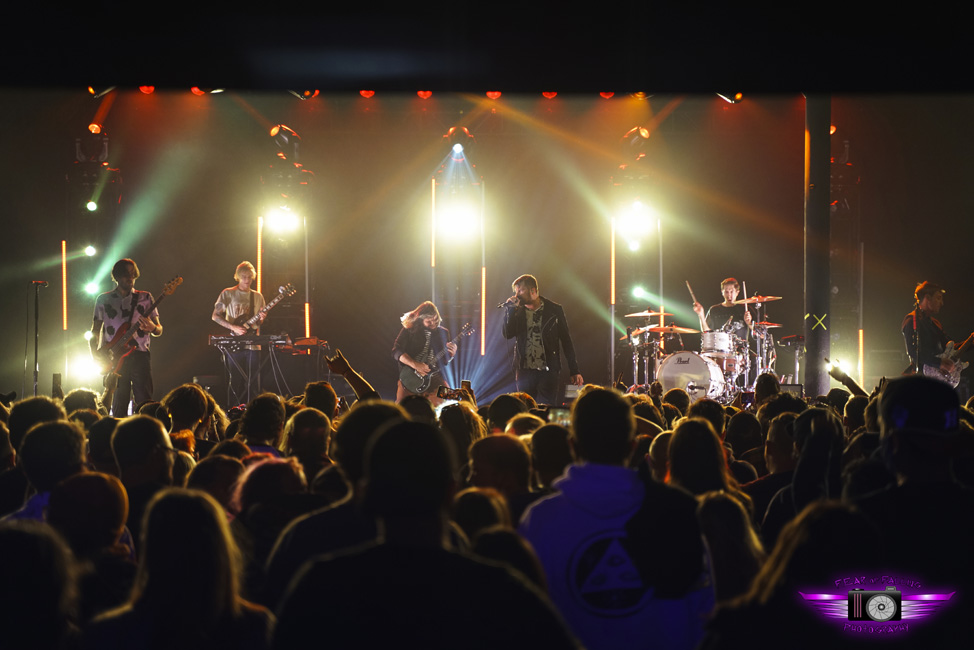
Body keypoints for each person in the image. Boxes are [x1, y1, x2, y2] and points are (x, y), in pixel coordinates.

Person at [90, 259, 163, 417]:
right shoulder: (103, 299)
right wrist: (94, 353)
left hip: (140, 355)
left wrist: (153, 327)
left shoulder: (145, 297)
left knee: (144, 402)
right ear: (117, 276)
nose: (130, 278)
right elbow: (95, 331)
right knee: (118, 402)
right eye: (125, 275)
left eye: (132, 275)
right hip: (114, 356)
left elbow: (159, 329)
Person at [501, 274, 582, 405]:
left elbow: (566, 340)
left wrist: (574, 370)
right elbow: (507, 334)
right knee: (525, 409)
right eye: (515, 291)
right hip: (524, 371)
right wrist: (510, 312)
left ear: (533, 291)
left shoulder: (554, 310)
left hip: (548, 371)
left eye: (520, 290)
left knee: (546, 408)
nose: (517, 295)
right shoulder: (517, 311)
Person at [212, 261, 266, 404]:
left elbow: (257, 323)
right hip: (234, 343)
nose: (247, 280)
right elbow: (215, 316)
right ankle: (233, 412)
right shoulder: (228, 293)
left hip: (253, 345)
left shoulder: (258, 296)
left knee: (254, 382)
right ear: (237, 277)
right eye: (243, 277)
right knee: (235, 380)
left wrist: (261, 319)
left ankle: (253, 412)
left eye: (249, 277)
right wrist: (233, 327)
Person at [392, 301, 456, 404]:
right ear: (420, 320)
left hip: (434, 377)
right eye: (429, 321)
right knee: (400, 408)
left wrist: (451, 355)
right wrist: (416, 365)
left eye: (435, 319)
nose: (433, 323)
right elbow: (396, 350)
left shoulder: (444, 333)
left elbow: (443, 361)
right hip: (410, 378)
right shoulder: (409, 329)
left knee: (453, 400)